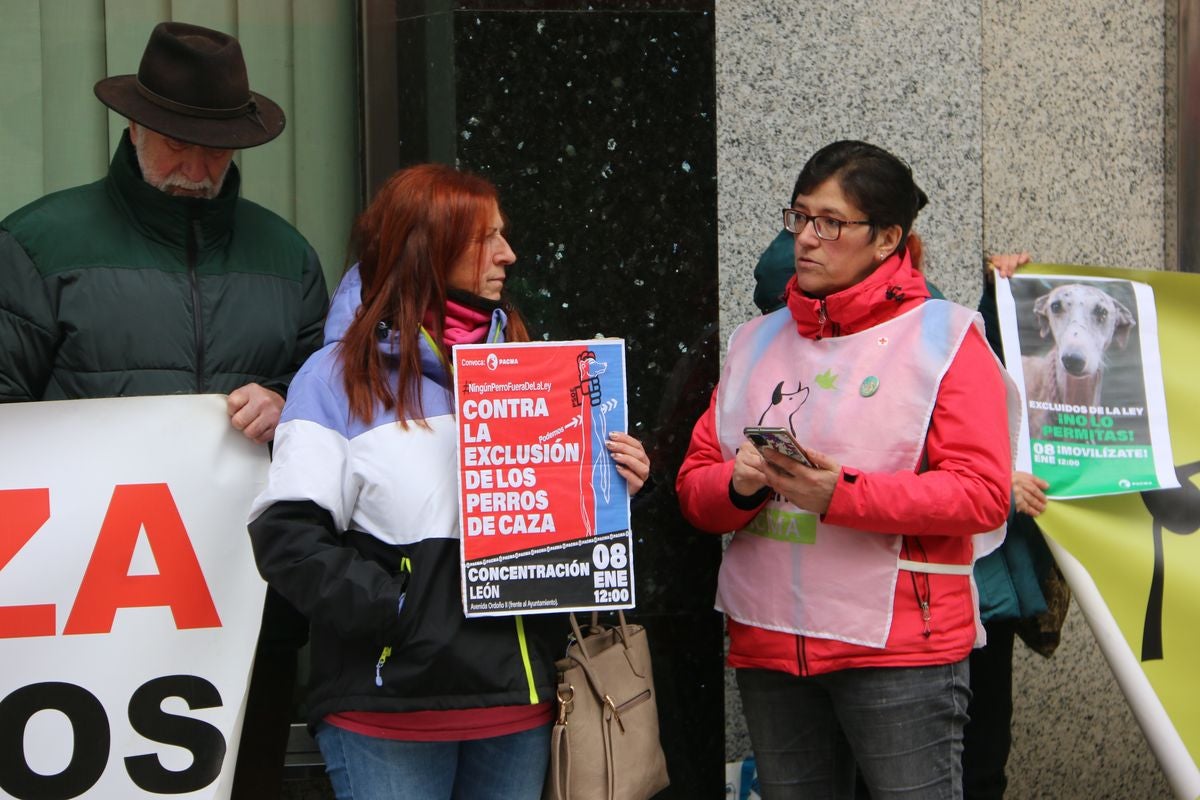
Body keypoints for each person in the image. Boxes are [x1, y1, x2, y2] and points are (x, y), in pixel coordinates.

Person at [246, 163, 651, 800]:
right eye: (484, 238)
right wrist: (396, 612)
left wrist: (609, 482)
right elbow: (285, 536)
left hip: (515, 703)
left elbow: (548, 525)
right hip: (390, 708)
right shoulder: (335, 379)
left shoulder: (527, 367)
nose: (508, 255)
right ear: (426, 247)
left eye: (504, 235)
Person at [0, 21, 329, 798]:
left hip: (247, 611)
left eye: (216, 145)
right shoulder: (38, 245)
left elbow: (329, 414)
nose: (196, 164)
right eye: (178, 140)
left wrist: (290, 407)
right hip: (78, 614)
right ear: (134, 126)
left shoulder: (288, 260)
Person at [676, 140, 1019, 799]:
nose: (806, 238)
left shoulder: (947, 339)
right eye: (799, 217)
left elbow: (981, 496)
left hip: (898, 649)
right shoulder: (755, 340)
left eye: (830, 223)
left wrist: (842, 495)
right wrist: (739, 484)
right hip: (770, 639)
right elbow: (695, 489)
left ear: (888, 237)